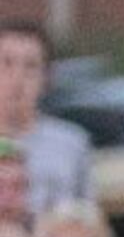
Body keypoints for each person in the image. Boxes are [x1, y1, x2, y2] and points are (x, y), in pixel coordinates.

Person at [0, 22, 96, 213]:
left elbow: (87, 219)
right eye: (6, 63)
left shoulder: (72, 144)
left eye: (30, 67)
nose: (17, 79)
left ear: (46, 78)